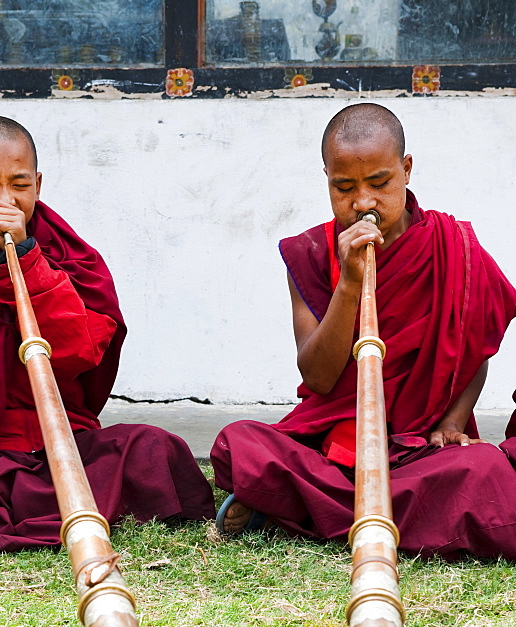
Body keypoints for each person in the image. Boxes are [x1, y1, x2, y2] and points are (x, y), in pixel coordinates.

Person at [0, 116, 214, 557]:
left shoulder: (68, 253)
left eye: (20, 185)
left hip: (60, 442)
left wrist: (27, 260)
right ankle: (58, 509)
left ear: (39, 185)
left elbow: (81, 350)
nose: (4, 201)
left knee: (153, 448)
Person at [212, 103, 516, 560]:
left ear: (406, 169)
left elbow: (473, 341)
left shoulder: (454, 247)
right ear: (327, 179)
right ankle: (360, 508)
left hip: (420, 447)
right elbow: (317, 377)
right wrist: (350, 283)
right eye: (344, 187)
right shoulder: (312, 252)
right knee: (243, 441)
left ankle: (295, 506)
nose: (363, 203)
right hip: (336, 445)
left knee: (484, 468)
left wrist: (453, 423)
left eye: (379, 183)